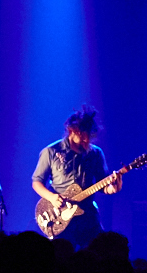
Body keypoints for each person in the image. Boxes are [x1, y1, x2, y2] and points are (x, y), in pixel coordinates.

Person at [32, 105, 121, 248]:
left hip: (87, 214)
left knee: (97, 252)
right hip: (59, 214)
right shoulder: (51, 152)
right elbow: (37, 182)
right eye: (84, 137)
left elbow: (101, 184)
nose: (87, 142)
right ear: (72, 131)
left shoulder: (96, 153)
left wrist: (112, 189)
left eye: (89, 138)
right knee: (62, 256)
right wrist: (52, 197)